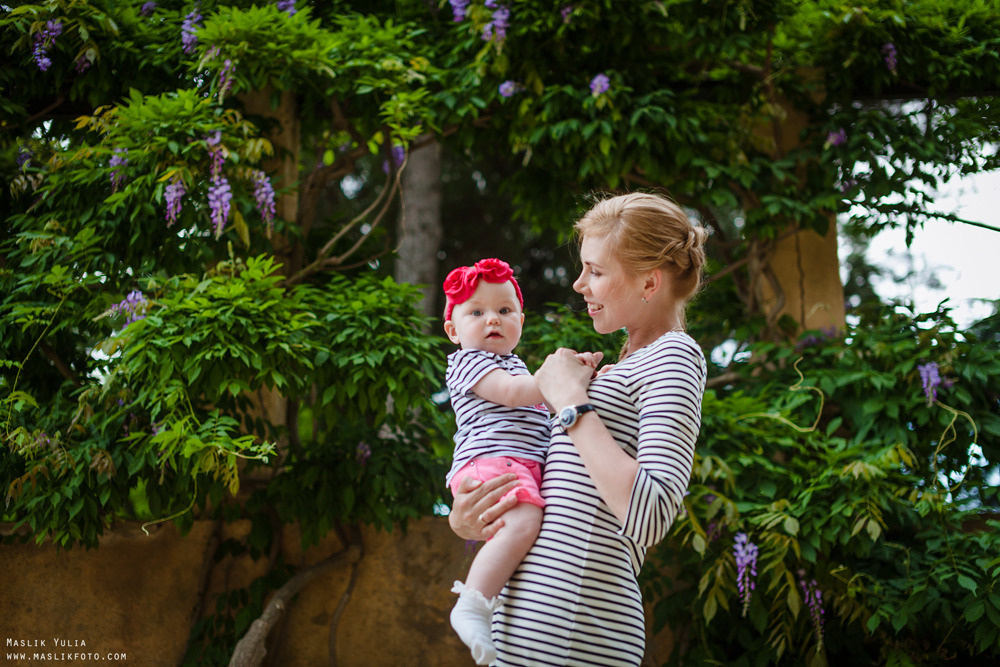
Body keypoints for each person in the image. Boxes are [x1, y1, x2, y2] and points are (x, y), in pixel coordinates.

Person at [448, 192, 708, 666]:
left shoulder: (674, 357)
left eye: (596, 271)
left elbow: (649, 515)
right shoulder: (620, 367)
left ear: (650, 282)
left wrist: (570, 401)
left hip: (577, 637)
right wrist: (466, 516)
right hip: (520, 633)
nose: (578, 283)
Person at [441, 258, 603, 665]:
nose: (492, 319)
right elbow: (515, 394)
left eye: (504, 310)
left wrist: (577, 375)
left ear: (521, 321)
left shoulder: (513, 364)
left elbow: (546, 404)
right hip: (491, 461)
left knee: (522, 528)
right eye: (476, 312)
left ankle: (493, 603)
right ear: (453, 331)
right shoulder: (469, 362)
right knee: (524, 523)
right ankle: (473, 603)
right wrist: (557, 377)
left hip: (515, 463)